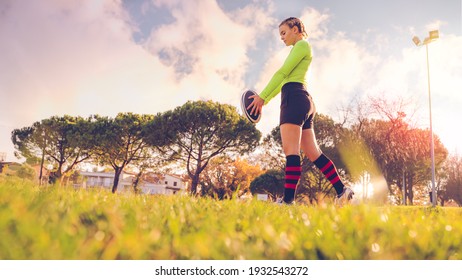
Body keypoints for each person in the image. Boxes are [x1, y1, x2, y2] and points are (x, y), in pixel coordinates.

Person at [248, 17, 354, 205]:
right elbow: (282, 80)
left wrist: (262, 96)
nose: (281, 37)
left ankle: (288, 201)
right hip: (303, 100)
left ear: (295, 29)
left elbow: (281, 73)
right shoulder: (301, 48)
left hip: (294, 98)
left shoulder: (302, 45)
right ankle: (342, 191)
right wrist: (264, 100)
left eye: (283, 32)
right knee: (314, 153)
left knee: (291, 152)